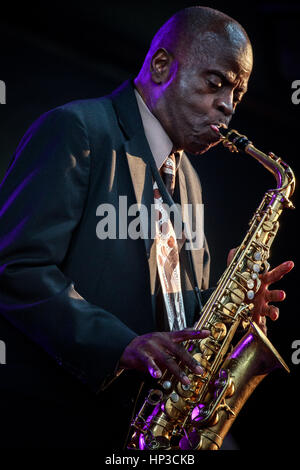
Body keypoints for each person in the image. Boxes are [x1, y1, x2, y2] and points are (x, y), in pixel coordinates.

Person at [0, 6, 294, 450]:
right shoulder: (78, 130)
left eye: (238, 92)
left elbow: (176, 315)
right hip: (57, 421)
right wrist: (121, 345)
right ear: (161, 66)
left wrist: (234, 317)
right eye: (216, 83)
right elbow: (16, 266)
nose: (229, 106)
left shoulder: (190, 179)